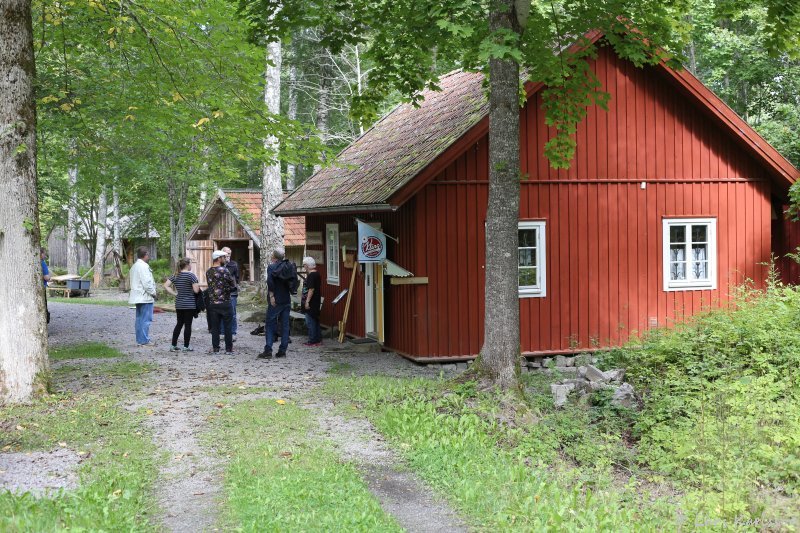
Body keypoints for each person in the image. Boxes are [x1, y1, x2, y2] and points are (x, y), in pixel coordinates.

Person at [258, 247, 293, 359]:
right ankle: (282, 350)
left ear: (274, 256)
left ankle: (268, 350)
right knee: (285, 324)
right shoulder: (290, 266)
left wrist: (272, 296)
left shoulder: (272, 267)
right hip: (286, 298)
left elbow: (270, 282)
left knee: (270, 323)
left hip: (276, 299)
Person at [164, 258, 200, 352]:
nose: (191, 266)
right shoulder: (191, 276)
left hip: (179, 304)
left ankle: (173, 345)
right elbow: (196, 290)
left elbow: (166, 285)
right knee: (188, 325)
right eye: (191, 264)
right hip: (189, 304)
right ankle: (186, 346)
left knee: (179, 324)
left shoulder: (175, 275)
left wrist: (175, 293)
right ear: (187, 265)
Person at [206, 250, 236, 354]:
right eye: (223, 257)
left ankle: (216, 348)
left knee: (215, 327)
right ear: (219, 259)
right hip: (225, 302)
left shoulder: (208, 271)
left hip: (213, 303)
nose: (225, 259)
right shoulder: (225, 270)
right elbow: (233, 285)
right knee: (228, 326)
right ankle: (228, 349)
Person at [128, 247, 157, 346]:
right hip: (145, 297)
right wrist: (153, 293)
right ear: (145, 255)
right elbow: (147, 283)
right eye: (148, 254)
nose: (149, 256)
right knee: (146, 320)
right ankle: (144, 340)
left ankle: (140, 339)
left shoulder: (134, 266)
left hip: (137, 296)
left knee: (139, 319)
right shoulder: (144, 266)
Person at [219, 246, 240, 342]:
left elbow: (237, 278)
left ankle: (233, 333)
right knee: (222, 313)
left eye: (229, 254)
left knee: (233, 313)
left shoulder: (234, 265)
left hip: (232, 293)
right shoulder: (218, 265)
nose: (228, 255)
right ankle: (223, 332)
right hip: (221, 293)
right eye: (227, 253)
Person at [301, 257, 322, 346]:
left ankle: (312, 340)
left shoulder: (311, 275)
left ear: (307, 265)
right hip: (316, 300)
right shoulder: (317, 274)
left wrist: (307, 301)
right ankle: (318, 339)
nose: (304, 267)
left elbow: (311, 289)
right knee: (315, 320)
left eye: (304, 265)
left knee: (310, 321)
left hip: (312, 301)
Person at [40, 248, 51, 324]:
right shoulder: (42, 263)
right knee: (44, 307)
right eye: (44, 254)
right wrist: (50, 277)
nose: (45, 256)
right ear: (41, 254)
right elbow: (46, 277)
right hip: (42, 288)